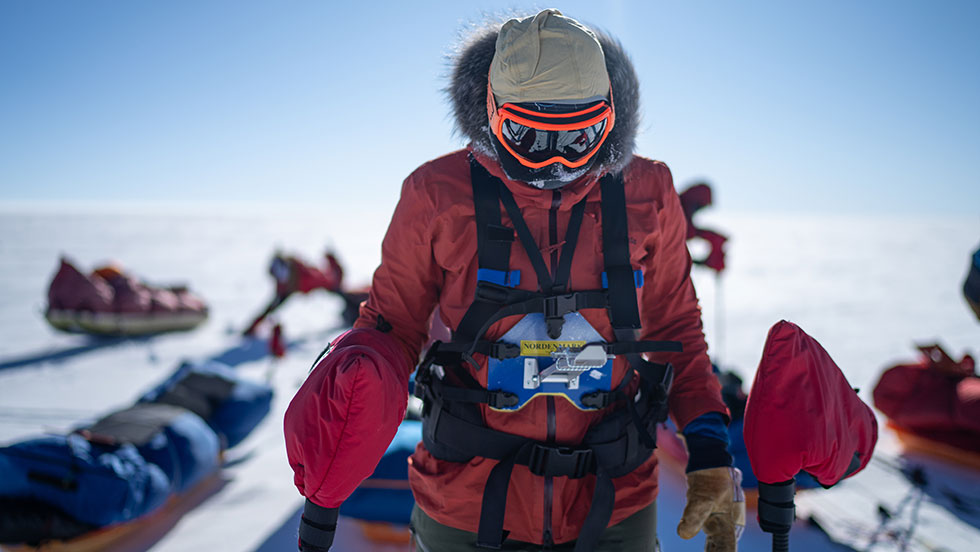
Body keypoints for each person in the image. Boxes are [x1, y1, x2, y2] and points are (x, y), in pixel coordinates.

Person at [284, 10, 743, 552]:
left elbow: (677, 327)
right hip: (465, 499)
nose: (554, 163)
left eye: (580, 137)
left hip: (615, 497)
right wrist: (353, 390)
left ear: (610, 120)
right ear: (491, 113)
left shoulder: (650, 190)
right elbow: (394, 324)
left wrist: (710, 449)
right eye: (526, 135)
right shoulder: (437, 192)